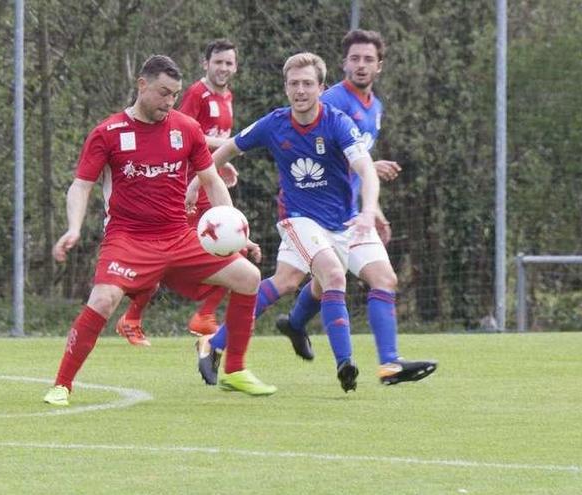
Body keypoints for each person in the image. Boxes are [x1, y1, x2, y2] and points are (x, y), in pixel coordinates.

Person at [193, 50, 437, 392]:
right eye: (294, 84)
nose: (300, 90)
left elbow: (365, 168)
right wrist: (197, 183)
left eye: (308, 83)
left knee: (371, 279)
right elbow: (229, 148)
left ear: (322, 87)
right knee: (333, 275)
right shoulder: (274, 123)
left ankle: (389, 362)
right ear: (286, 87)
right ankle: (345, 364)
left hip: (345, 220)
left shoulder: (337, 121)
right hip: (299, 220)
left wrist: (369, 211)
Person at [42, 55, 276, 406]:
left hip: (179, 236)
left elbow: (211, 181)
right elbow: (80, 186)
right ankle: (62, 384)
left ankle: (236, 370)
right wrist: (73, 228)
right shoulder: (109, 133)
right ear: (142, 85)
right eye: (163, 93)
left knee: (249, 277)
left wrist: (234, 228)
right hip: (127, 238)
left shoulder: (185, 128)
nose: (170, 102)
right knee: (104, 299)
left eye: (175, 95)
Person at [114, 39, 241, 346]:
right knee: (164, 257)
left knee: (232, 247)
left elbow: (202, 146)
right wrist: (230, 147)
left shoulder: (227, 97)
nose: (223, 68)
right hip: (184, 188)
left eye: (229, 63)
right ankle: (134, 317)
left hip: (206, 184)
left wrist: (219, 163)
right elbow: (182, 134)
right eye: (218, 62)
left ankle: (202, 314)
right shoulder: (196, 94)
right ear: (205, 64)